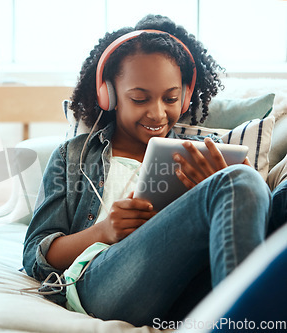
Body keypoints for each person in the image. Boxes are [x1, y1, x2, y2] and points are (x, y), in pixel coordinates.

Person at [22, 14, 284, 327]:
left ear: (186, 96)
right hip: (104, 283)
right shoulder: (73, 156)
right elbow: (34, 256)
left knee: (252, 184)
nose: (158, 112)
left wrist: (241, 182)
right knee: (238, 181)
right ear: (110, 94)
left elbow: (250, 235)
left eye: (170, 98)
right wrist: (104, 231)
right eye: (140, 98)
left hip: (187, 291)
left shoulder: (204, 152)